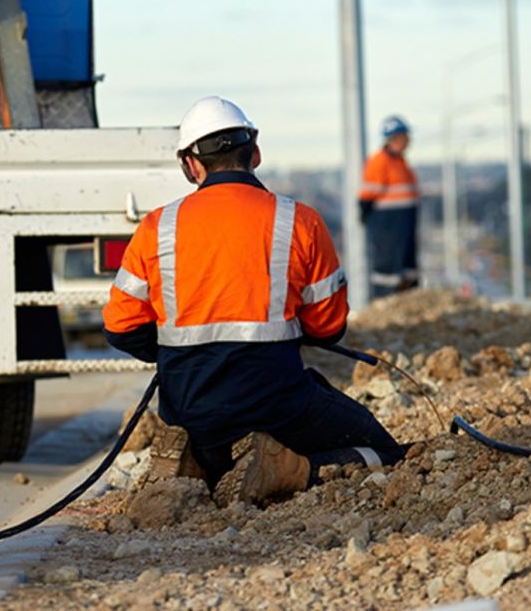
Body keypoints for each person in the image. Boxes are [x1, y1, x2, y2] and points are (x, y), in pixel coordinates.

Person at [102, 96, 405, 507]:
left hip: (189, 413)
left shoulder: (157, 227)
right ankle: (288, 469)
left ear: (190, 165)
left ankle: (196, 465)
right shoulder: (301, 221)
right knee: (386, 454)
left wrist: (178, 352)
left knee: (214, 440)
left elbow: (120, 328)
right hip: (279, 410)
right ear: (255, 152)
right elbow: (328, 327)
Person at [358, 115, 420, 299]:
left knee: (407, 265)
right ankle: (384, 299)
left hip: (404, 221)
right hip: (387, 223)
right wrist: (365, 214)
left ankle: (408, 297)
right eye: (404, 137)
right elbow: (368, 195)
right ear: (393, 139)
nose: (408, 141)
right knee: (387, 267)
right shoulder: (379, 161)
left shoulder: (400, 162)